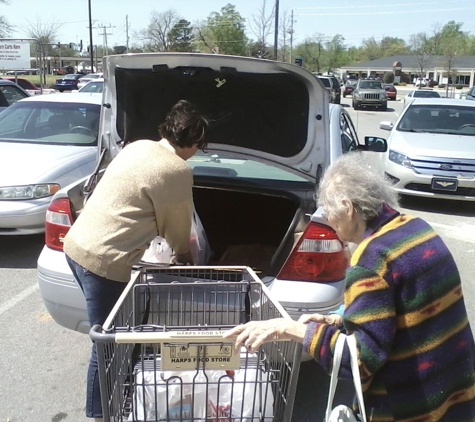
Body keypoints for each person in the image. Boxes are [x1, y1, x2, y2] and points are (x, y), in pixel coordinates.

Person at [225, 152, 475, 421]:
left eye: (328, 212)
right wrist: (338, 319)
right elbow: (399, 311)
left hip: (412, 406)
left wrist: (292, 329)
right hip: (454, 390)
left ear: (347, 206)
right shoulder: (416, 227)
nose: (329, 222)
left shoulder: (371, 260)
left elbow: (358, 361)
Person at [64, 99, 209, 421]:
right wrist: (188, 262)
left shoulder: (138, 146)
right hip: (104, 261)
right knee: (108, 343)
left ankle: (125, 390)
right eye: (200, 146)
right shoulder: (175, 169)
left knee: (120, 333)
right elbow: (178, 230)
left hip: (76, 245)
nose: (198, 152)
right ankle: (100, 414)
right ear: (195, 141)